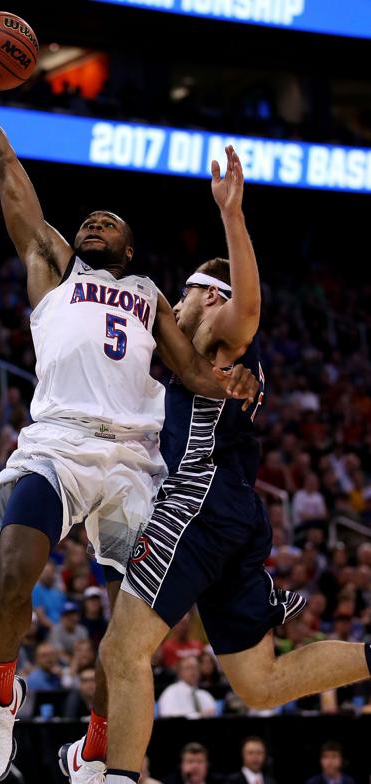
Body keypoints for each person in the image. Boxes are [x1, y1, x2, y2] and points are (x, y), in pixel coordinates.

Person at [0, 70, 258, 784]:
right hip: (58, 442)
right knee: (11, 576)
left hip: (133, 462)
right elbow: (8, 171)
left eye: (108, 224)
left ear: (128, 251)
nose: (93, 223)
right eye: (87, 220)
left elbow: (191, 372)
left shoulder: (152, 296)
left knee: (131, 638)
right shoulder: (53, 269)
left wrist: (236, 380)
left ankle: (95, 748)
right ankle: (1, 695)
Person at [100, 148, 371, 784]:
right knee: (259, 683)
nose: (174, 298)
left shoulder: (223, 335)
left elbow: (247, 305)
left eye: (186, 288)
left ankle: (113, 777)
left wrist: (232, 214)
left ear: (206, 295)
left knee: (122, 649)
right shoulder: (184, 363)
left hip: (196, 505)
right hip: (233, 518)